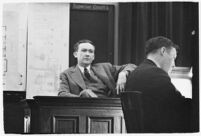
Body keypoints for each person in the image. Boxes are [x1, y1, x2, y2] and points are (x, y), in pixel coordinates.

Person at [125, 36, 192, 132]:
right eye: (173, 58)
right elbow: (180, 105)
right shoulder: (156, 74)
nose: (174, 65)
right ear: (163, 51)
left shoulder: (136, 73)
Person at [58, 39, 136, 98]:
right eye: (84, 51)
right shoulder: (66, 74)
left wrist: (123, 73)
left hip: (108, 109)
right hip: (83, 111)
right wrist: (82, 97)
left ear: (93, 56)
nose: (87, 54)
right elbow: (62, 94)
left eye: (91, 51)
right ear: (75, 54)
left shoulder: (106, 67)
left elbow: (132, 66)